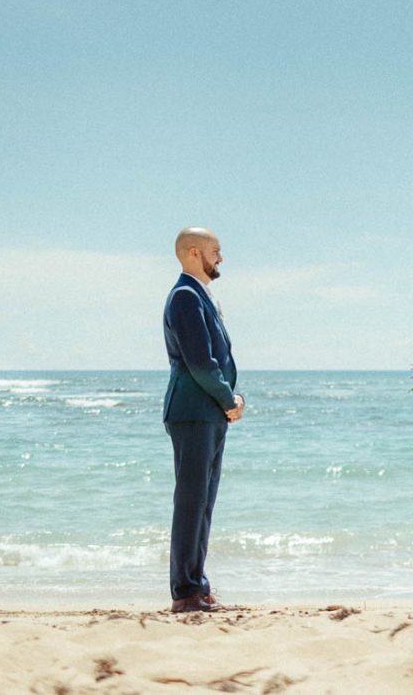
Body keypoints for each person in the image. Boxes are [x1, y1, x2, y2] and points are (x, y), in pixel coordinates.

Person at [162, 227, 245, 613]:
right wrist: (230, 399)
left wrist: (227, 402)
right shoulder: (184, 297)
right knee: (192, 502)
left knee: (204, 503)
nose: (221, 258)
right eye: (216, 251)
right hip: (193, 413)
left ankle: (198, 583)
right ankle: (184, 591)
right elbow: (200, 362)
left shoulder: (199, 295)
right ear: (194, 253)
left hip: (207, 412)